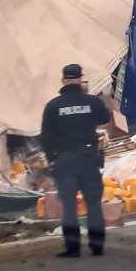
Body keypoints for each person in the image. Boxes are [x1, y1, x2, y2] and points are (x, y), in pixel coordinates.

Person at [40, 63, 111, 258]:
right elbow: (104, 117)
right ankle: (97, 247)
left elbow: (45, 137)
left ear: (63, 81)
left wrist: (52, 159)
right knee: (94, 205)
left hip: (65, 161)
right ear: (80, 79)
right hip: (89, 159)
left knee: (69, 206)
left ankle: (73, 248)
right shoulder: (91, 102)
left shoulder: (53, 106)